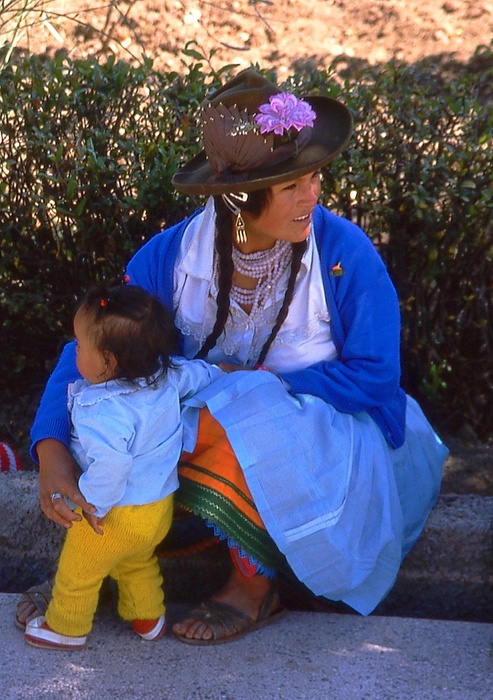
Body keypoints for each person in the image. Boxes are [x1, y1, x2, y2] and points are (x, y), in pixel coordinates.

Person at [17, 69, 448, 645]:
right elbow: (97, 352)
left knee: (232, 413)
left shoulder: (344, 254)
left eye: (314, 176)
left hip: (334, 436)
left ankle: (253, 586)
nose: (313, 195)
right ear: (240, 198)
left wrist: (255, 386)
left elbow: (376, 378)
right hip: (204, 430)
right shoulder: (172, 258)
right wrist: (50, 452)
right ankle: (95, 564)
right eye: (292, 185)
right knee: (113, 411)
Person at [24, 284, 224, 649]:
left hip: (115, 513)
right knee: (136, 562)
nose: (74, 351)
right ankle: (148, 617)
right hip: (157, 509)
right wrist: (223, 373)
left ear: (108, 362)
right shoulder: (168, 376)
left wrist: (91, 505)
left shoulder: (102, 411)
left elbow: (112, 466)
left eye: (80, 346)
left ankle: (66, 626)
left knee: (78, 570)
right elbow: (201, 374)